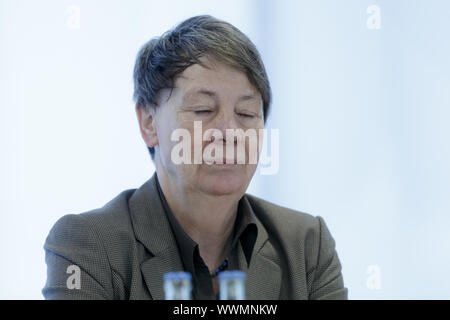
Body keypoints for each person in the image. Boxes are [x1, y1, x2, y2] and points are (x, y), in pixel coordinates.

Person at [42, 15, 348, 300]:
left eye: (246, 113)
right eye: (203, 110)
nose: (229, 132)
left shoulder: (307, 247)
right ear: (149, 122)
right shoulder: (87, 247)